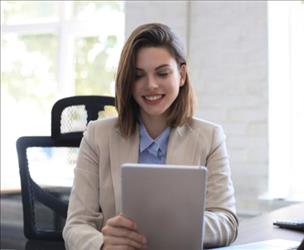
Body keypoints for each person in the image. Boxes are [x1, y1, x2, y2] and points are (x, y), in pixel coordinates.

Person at [63, 23, 238, 250]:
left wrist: (175, 227)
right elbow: (76, 225)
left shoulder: (209, 137)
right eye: (138, 76)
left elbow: (226, 221)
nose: (151, 85)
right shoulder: (98, 136)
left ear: (182, 75)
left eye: (162, 73)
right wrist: (104, 245)